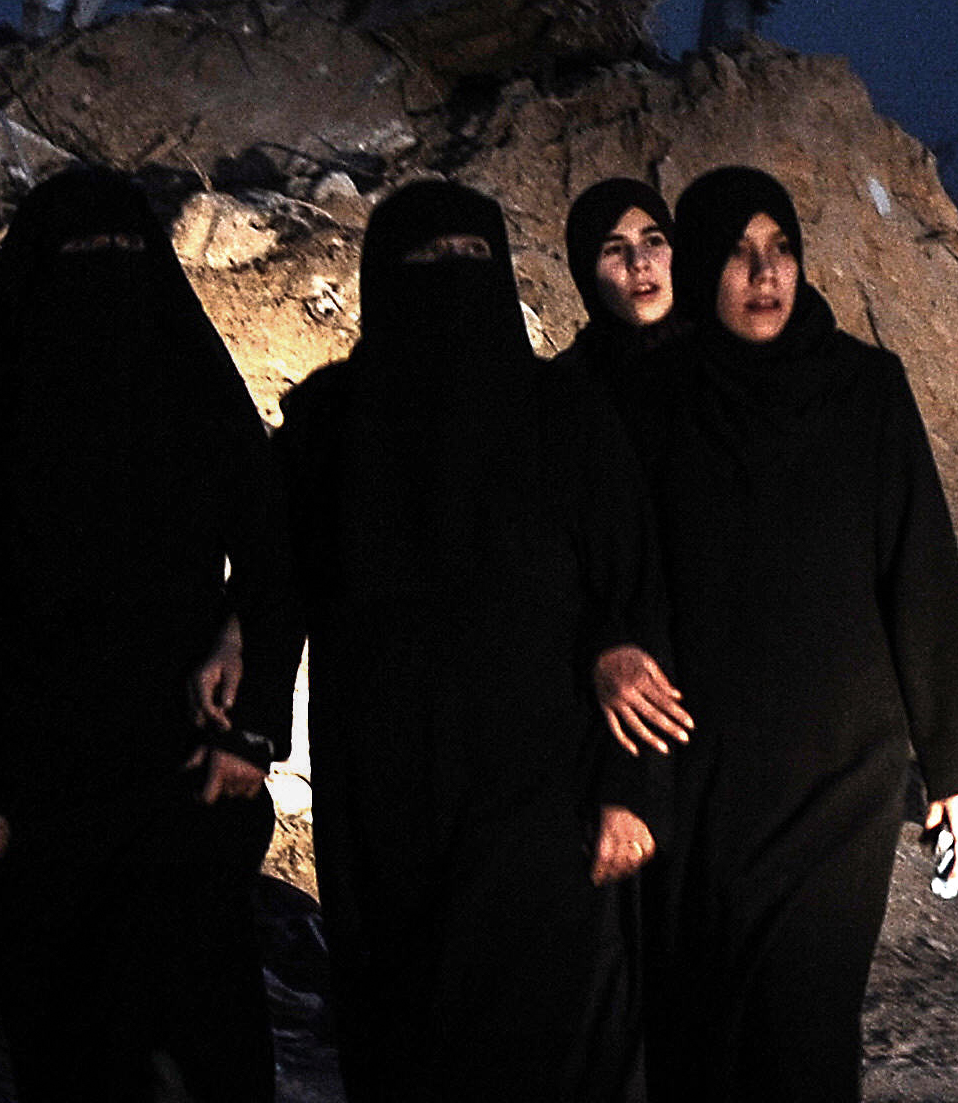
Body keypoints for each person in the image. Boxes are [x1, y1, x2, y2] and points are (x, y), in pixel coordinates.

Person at [0, 166, 299, 1103]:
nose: (102, 287)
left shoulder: (194, 400)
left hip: (186, 783)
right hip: (36, 806)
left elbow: (279, 554)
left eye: (122, 259)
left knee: (212, 1051)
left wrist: (251, 723)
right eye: (79, 264)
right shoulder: (1, 433)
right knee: (69, 1056)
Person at [277, 179, 669, 1102]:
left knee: (541, 1047)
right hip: (382, 804)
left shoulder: (566, 416)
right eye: (424, 262)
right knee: (403, 1042)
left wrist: (629, 792)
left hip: (541, 794)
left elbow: (634, 600)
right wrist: (233, 654)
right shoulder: (331, 422)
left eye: (471, 260)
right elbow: (277, 575)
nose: (450, 281)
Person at [620, 166, 958, 1103]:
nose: (766, 274)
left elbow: (920, 573)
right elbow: (617, 569)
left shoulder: (864, 389)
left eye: (781, 249)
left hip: (840, 776)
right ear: (704, 265)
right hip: (699, 777)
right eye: (742, 255)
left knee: (804, 1032)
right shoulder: (655, 401)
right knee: (698, 1037)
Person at [559, 177, 678, 382]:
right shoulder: (566, 387)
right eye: (613, 249)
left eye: (653, 241)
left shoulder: (735, 359)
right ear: (587, 272)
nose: (639, 262)